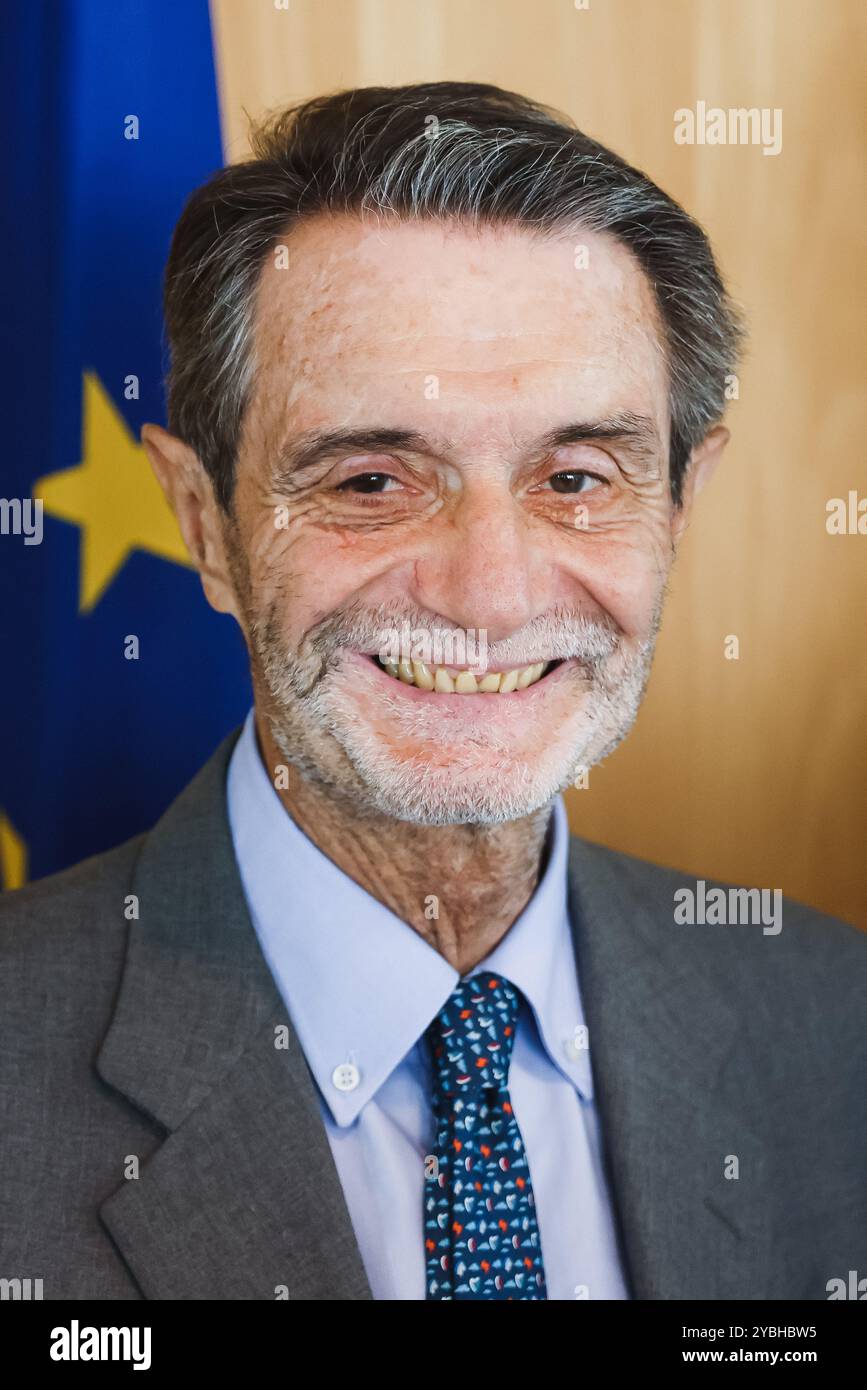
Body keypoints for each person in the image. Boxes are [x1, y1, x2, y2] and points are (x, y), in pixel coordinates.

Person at [1, 82, 864, 1302]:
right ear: (205, 525)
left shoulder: (840, 1023)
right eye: (369, 480)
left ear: (679, 506)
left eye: (574, 477)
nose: (490, 594)